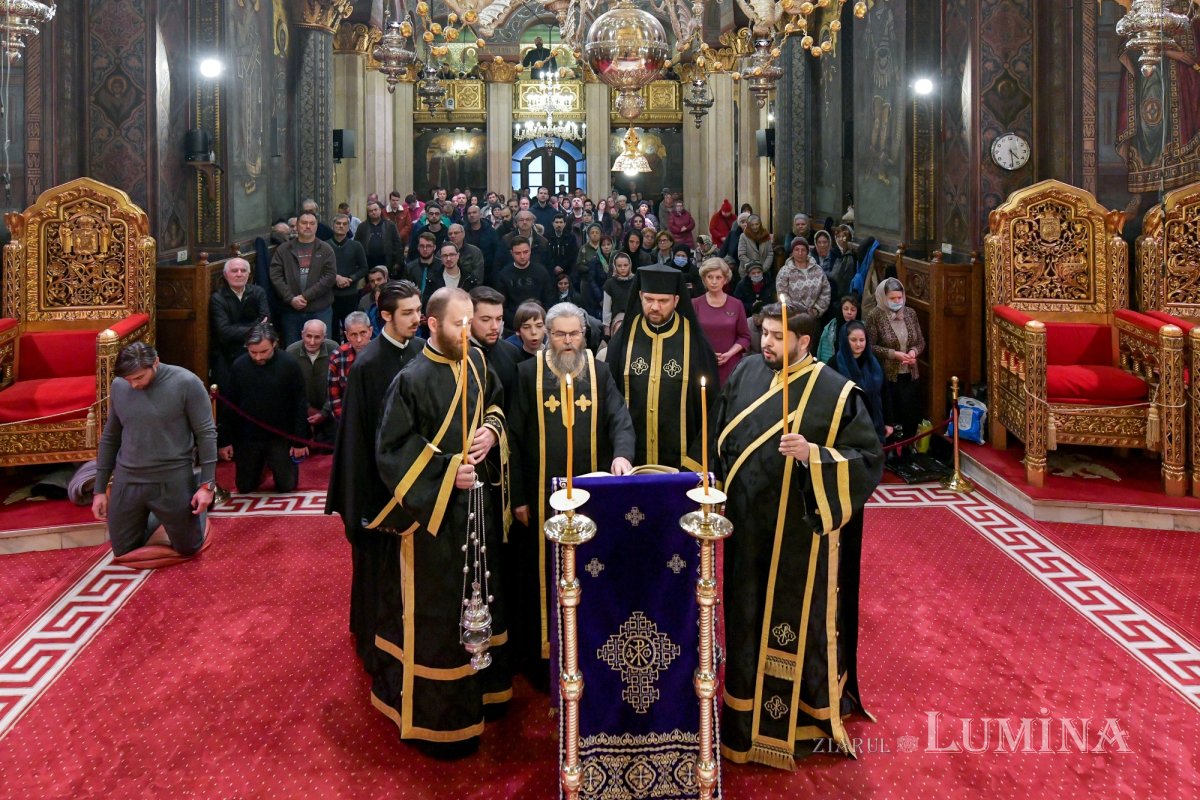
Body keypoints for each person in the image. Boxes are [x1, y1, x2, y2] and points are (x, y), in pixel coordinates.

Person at [714, 304, 883, 769]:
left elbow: (867, 460)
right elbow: (721, 435)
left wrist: (814, 455)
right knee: (744, 616)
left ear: (804, 342)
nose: (765, 343)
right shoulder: (748, 370)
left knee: (794, 628)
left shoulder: (835, 392)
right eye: (763, 333)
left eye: (775, 336)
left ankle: (800, 718)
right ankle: (741, 717)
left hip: (799, 537)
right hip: (747, 529)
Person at [371, 287, 511, 758]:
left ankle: (484, 692)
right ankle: (439, 714)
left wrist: (491, 432)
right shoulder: (410, 379)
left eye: (472, 321)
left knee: (480, 596)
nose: (468, 331)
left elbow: (493, 403)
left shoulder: (475, 363)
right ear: (432, 325)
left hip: (477, 515)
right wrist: (450, 472)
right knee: (439, 610)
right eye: (459, 324)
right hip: (431, 523)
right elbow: (390, 451)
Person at [508, 301, 635, 680]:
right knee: (541, 574)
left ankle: (590, 652)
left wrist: (623, 456)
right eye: (560, 334)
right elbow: (512, 437)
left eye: (574, 333)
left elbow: (620, 419)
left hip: (592, 495)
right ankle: (543, 660)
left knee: (591, 569)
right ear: (548, 335)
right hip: (539, 493)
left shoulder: (600, 372)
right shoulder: (526, 373)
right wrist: (517, 497)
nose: (567, 341)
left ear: (584, 334)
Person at [326, 280, 424, 673]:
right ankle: (373, 643)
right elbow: (357, 438)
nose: (418, 319)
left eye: (419, 311)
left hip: (415, 481)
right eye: (409, 313)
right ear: (385, 316)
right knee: (373, 570)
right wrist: (362, 502)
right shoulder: (368, 365)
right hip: (378, 489)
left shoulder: (420, 351)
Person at [92, 342, 217, 560]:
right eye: (129, 379)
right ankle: (158, 514)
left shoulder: (186, 382)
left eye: (139, 377)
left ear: (156, 362)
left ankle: (189, 510)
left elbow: (206, 434)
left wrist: (208, 485)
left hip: (171, 476)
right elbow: (110, 437)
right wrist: (99, 489)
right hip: (128, 478)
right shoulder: (120, 385)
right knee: (123, 551)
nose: (133, 385)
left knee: (188, 547)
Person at [606, 263, 718, 469]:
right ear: (640, 296)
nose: (655, 307)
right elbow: (609, 401)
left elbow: (712, 408)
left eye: (663, 301)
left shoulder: (695, 342)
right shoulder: (623, 340)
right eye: (649, 299)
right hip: (630, 461)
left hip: (682, 462)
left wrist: (697, 461)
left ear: (676, 300)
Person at [218, 324, 309, 493]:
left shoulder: (289, 364)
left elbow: (299, 403)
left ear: (274, 344)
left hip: (280, 436)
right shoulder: (239, 366)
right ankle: (261, 468)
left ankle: (272, 465)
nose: (258, 357)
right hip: (248, 437)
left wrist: (299, 441)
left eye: (264, 351)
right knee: (245, 487)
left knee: (287, 486)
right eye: (253, 352)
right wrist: (225, 441)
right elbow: (230, 406)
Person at [865, 277, 926, 449]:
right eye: (892, 299)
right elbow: (869, 346)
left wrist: (913, 352)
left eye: (899, 298)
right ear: (884, 298)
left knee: (910, 414)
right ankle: (889, 449)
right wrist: (894, 354)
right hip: (888, 375)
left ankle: (908, 447)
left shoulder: (910, 313)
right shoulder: (875, 316)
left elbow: (920, 341)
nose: (897, 302)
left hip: (911, 372)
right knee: (892, 414)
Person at [269, 210, 338, 345]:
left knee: (322, 347)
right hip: (291, 310)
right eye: (304, 223)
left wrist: (305, 296)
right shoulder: (284, 249)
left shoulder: (326, 249)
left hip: (319, 309)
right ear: (296, 225)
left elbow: (329, 276)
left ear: (316, 226)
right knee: (293, 349)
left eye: (312, 223)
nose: (308, 226)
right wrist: (290, 298)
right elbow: (275, 276)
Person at [209, 257, 270, 390]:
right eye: (234, 271)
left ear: (249, 274)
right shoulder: (218, 298)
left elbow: (266, 322)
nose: (239, 274)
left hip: (257, 348)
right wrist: (255, 327)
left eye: (243, 270)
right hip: (228, 353)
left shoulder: (258, 292)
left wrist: (237, 328)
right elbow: (224, 332)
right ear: (225, 275)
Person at [693, 258, 751, 386]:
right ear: (704, 279)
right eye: (710, 277)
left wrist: (729, 354)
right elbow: (691, 337)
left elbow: (745, 337)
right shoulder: (695, 304)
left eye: (718, 277)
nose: (714, 282)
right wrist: (706, 354)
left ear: (725, 280)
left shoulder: (736, 304)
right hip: (703, 364)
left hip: (731, 365)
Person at [833, 321, 891, 443]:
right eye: (853, 340)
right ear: (845, 340)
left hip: (874, 424)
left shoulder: (874, 363)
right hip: (847, 428)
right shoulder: (834, 364)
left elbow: (885, 392)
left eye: (862, 340)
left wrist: (889, 422)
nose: (858, 344)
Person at [285, 319, 338, 443]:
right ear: (302, 334)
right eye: (308, 336)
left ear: (324, 337)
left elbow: (338, 385)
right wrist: (307, 408)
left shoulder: (334, 349)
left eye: (317, 337)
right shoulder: (291, 352)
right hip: (301, 410)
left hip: (330, 408)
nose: (312, 342)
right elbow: (290, 387)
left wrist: (324, 412)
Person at [469, 286, 522, 402]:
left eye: (499, 319)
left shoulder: (512, 353)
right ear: (469, 319)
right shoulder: (457, 354)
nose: (495, 327)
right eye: (486, 319)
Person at [496, 237, 555, 328]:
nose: (522, 256)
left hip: (539, 321)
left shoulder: (541, 272)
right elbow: (502, 305)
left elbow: (548, 299)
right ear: (511, 253)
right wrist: (517, 323)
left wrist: (540, 320)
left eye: (525, 252)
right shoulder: (504, 275)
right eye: (518, 253)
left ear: (530, 251)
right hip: (513, 325)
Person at [326, 311, 374, 422]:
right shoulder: (337, 357)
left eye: (363, 333)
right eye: (353, 334)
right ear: (346, 335)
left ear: (370, 331)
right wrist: (346, 423)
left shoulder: (382, 354)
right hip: (347, 418)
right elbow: (334, 397)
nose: (359, 340)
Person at [328, 213, 370, 342]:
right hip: (330, 295)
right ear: (333, 225)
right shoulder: (325, 246)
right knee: (332, 329)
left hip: (350, 294)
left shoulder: (356, 246)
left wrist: (350, 279)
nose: (341, 226)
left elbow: (364, 268)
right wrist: (335, 277)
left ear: (348, 227)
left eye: (344, 224)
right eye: (338, 223)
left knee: (351, 329)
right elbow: (320, 268)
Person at [775, 238, 831, 319]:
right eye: (796, 250)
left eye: (803, 250)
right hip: (793, 318)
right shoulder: (785, 271)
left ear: (807, 252)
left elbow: (826, 290)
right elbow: (782, 293)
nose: (800, 253)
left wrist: (816, 310)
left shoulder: (817, 269)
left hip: (814, 317)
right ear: (792, 252)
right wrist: (794, 311)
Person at [355, 200, 405, 276]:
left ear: (380, 210)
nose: (373, 212)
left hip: (386, 260)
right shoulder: (362, 227)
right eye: (370, 211)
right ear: (368, 213)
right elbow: (357, 244)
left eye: (375, 210)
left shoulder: (390, 225)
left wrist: (397, 261)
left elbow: (397, 243)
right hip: (368, 261)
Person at [602, 252, 636, 339]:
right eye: (619, 266)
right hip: (617, 319)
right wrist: (606, 330)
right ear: (615, 266)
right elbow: (606, 308)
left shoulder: (636, 281)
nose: (623, 268)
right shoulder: (610, 284)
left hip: (635, 318)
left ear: (630, 265)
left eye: (625, 265)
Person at [817, 295, 860, 363]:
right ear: (841, 310)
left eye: (853, 309)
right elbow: (823, 352)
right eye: (845, 309)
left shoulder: (862, 328)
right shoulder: (831, 327)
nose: (849, 312)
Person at [737, 214, 774, 278]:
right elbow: (741, 255)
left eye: (757, 224)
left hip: (764, 271)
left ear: (760, 224)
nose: (755, 227)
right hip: (747, 272)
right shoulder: (743, 236)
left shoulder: (765, 235)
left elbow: (770, 254)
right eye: (752, 225)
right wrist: (753, 268)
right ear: (749, 225)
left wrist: (764, 268)